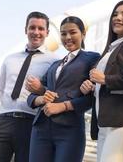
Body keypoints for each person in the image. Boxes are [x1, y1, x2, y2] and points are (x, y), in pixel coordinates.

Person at [0, 11, 56, 162]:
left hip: (32, 124)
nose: (36, 32)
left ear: (47, 32)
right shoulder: (10, 59)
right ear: (26, 30)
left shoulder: (54, 62)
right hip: (3, 121)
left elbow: (55, 95)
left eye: (41, 29)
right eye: (32, 28)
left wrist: (41, 89)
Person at [26, 16, 100, 162]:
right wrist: (40, 98)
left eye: (72, 32)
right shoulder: (54, 65)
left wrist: (63, 106)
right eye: (63, 33)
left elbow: (93, 96)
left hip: (69, 128)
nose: (67, 37)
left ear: (83, 34)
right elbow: (31, 97)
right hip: (41, 128)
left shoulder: (92, 58)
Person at [80, 0, 123, 162]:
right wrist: (90, 86)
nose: (118, 18)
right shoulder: (109, 50)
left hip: (122, 122)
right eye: (115, 14)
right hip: (103, 124)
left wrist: (105, 79)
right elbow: (101, 86)